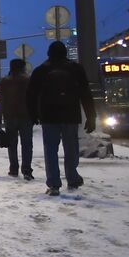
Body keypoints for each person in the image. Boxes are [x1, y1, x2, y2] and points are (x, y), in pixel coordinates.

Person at [27, 40, 97, 196]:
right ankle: (72, 178)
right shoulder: (76, 69)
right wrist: (91, 116)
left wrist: (33, 115)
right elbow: (85, 94)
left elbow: (31, 95)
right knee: (71, 148)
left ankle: (53, 184)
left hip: (49, 115)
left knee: (50, 149)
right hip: (70, 115)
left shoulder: (41, 70)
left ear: (48, 54)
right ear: (65, 53)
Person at [0, 58, 34, 179]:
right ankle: (27, 170)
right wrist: (36, 114)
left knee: (12, 143)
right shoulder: (28, 80)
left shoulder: (5, 81)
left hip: (10, 116)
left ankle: (14, 169)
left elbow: (0, 100)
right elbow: (33, 98)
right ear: (23, 67)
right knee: (27, 144)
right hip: (26, 116)